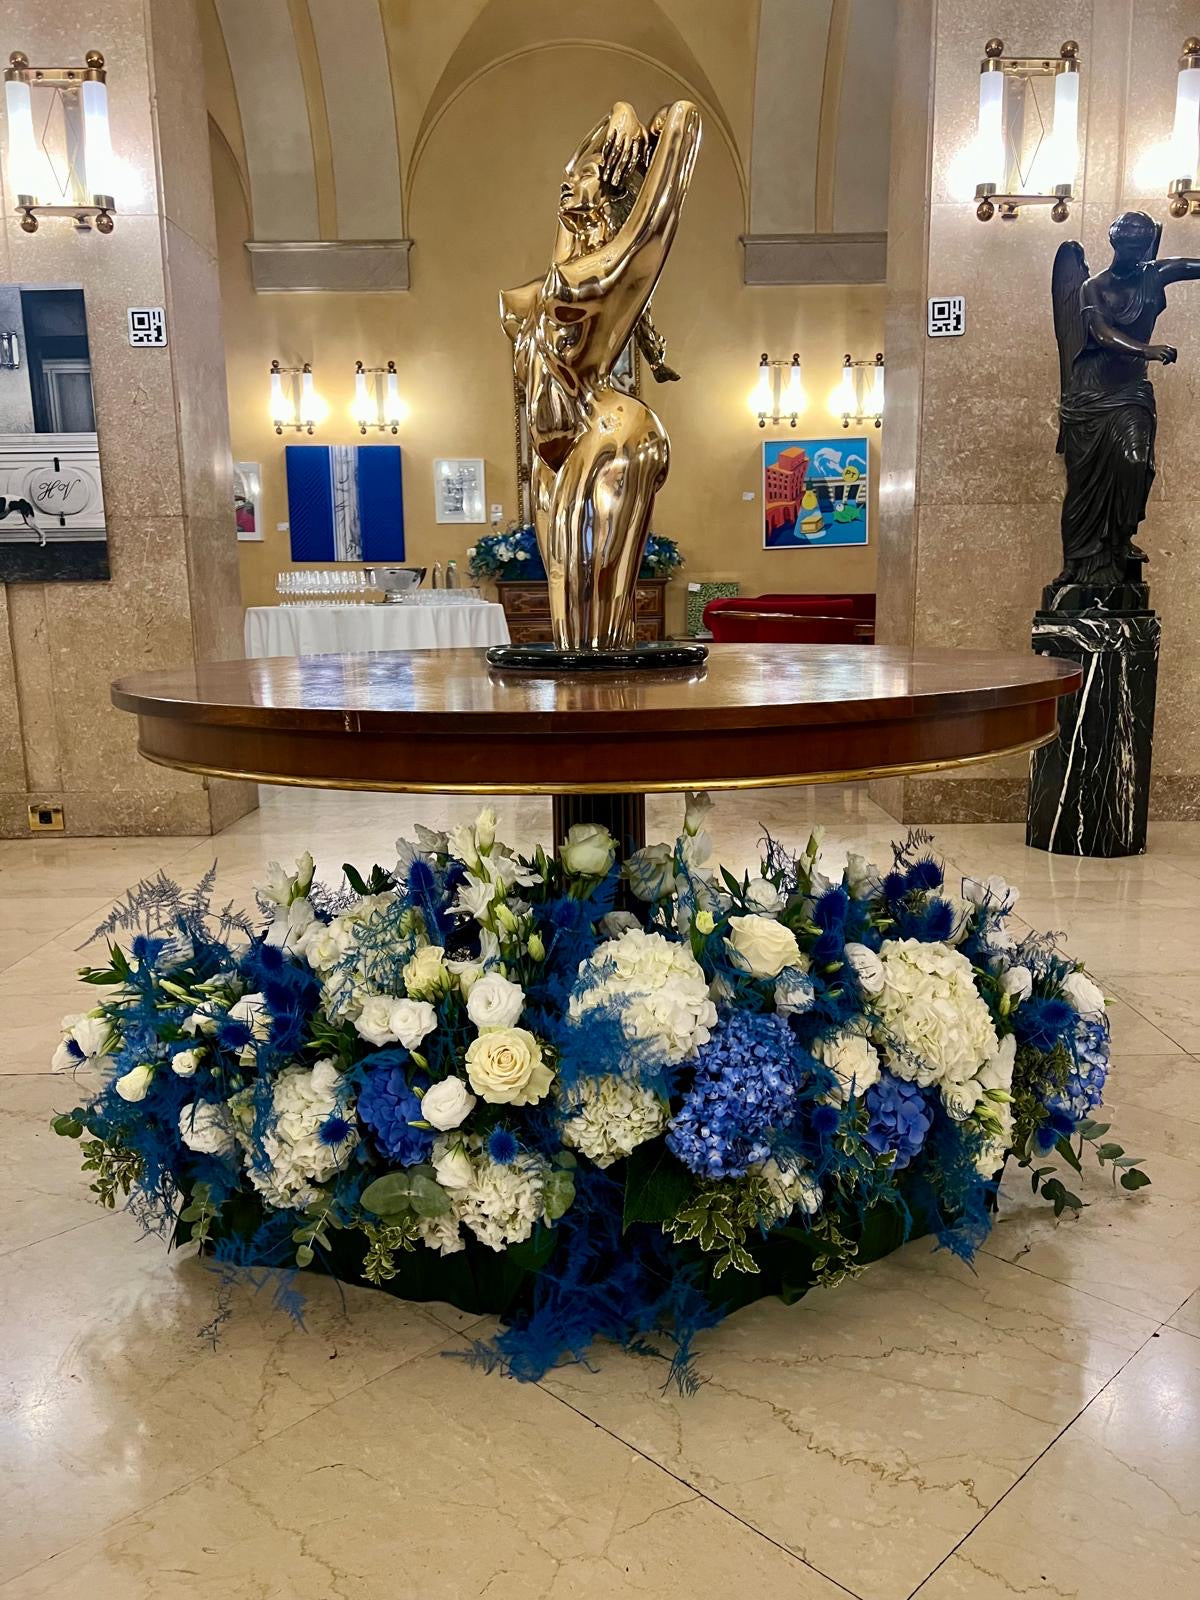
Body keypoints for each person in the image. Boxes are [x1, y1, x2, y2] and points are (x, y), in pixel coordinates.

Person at [500, 99, 701, 650]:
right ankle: (581, 702)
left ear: (612, 189)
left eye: (587, 173)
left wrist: (659, 120)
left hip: (613, 436)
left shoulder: (604, 276)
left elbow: (657, 217)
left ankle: (608, 700)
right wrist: (618, 109)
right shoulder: (556, 276)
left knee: (599, 615)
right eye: (567, 177)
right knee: (566, 608)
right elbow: (565, 233)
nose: (569, 184)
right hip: (556, 450)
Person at [1052, 210, 1199, 588]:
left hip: (1131, 392)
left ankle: (1120, 539)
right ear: (1116, 243)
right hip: (1091, 395)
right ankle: (1076, 562)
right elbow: (1101, 333)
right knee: (1083, 485)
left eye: (1143, 246)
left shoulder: (1154, 274)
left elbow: (1189, 266)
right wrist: (1147, 350)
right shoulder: (1093, 287)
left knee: (1135, 462)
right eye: (1131, 246)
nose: (1138, 253)